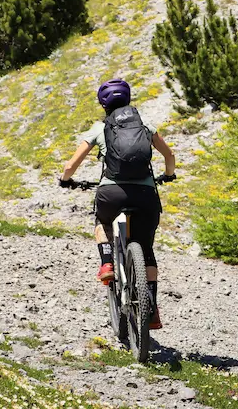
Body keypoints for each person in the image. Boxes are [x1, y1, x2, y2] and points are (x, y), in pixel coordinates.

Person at [58, 78, 176, 330]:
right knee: (146, 249)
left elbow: (71, 165)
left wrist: (66, 180)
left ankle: (108, 262)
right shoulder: (146, 126)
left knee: (102, 221)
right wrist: (168, 175)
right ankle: (151, 308)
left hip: (111, 193)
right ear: (129, 99)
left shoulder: (100, 128)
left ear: (103, 104)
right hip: (145, 195)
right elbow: (169, 155)